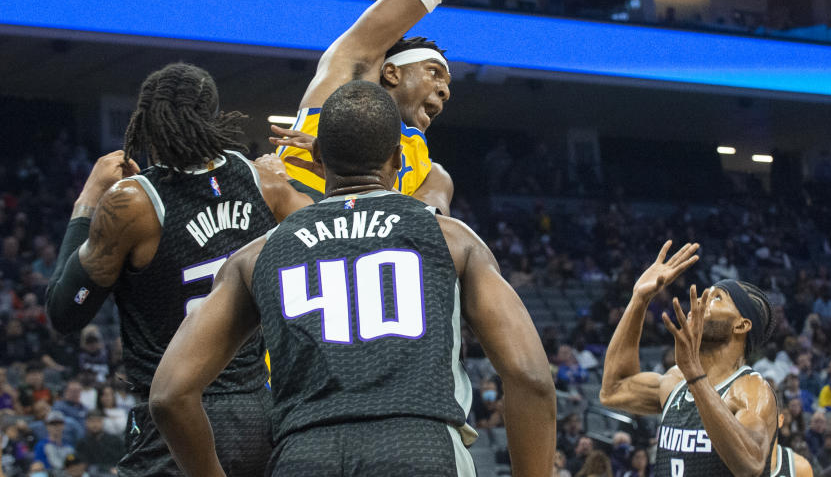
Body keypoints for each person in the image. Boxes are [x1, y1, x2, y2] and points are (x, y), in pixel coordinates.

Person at [150, 81, 556, 476]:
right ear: (397, 159)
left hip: (303, 452)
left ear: (318, 158)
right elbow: (531, 378)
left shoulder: (256, 254)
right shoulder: (450, 238)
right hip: (420, 445)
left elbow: (169, 396)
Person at [272, 0, 603, 215]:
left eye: (446, 85)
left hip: (365, 258)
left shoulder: (423, 166)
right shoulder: (345, 80)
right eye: (434, 73)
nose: (445, 92)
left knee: (441, 185)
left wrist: (346, 168)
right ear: (390, 73)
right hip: (281, 252)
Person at [44, 63, 311, 477]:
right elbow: (329, 238)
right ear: (215, 117)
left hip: (171, 420)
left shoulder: (131, 203)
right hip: (255, 415)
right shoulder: (265, 184)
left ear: (146, 122)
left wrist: (89, 197)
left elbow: (65, 312)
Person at [599, 243, 779, 477]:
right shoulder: (675, 380)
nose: (702, 299)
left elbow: (751, 464)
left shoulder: (751, 390)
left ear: (741, 324)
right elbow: (612, 390)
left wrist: (695, 375)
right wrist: (639, 299)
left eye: (716, 298)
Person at [772, 412, 814, 477]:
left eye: (800, 441)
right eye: (796, 441)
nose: (798, 444)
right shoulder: (784, 455)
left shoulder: (805, 453)